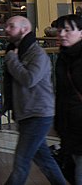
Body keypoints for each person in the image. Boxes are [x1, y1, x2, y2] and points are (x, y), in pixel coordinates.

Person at [2, 15, 67, 185]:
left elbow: (29, 79)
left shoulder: (36, 53)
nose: (6, 29)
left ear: (24, 29)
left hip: (38, 113)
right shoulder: (17, 51)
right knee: (44, 160)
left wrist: (12, 60)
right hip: (27, 113)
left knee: (21, 163)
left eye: (11, 26)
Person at [53, 13, 82, 184]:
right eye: (59, 30)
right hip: (70, 126)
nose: (62, 34)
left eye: (68, 30)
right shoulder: (63, 58)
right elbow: (63, 93)